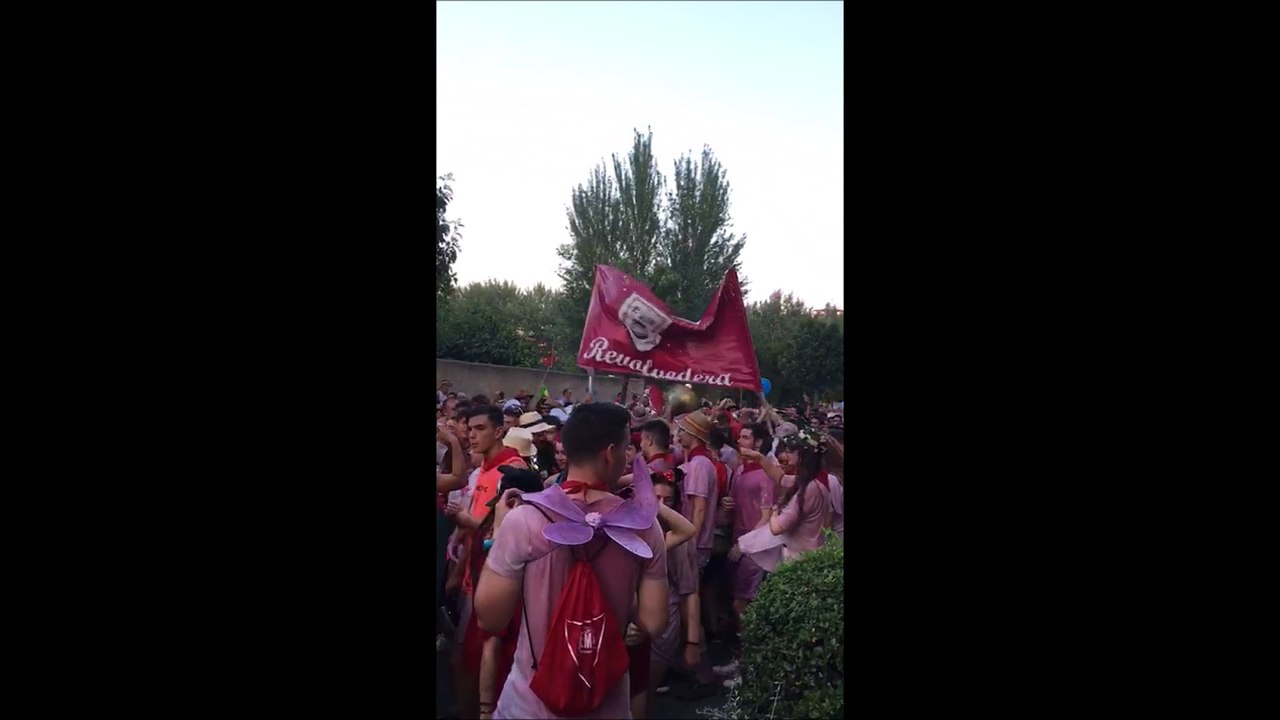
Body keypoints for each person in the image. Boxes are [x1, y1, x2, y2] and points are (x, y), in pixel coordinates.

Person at [474, 402, 668, 719]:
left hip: (528, 706)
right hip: (606, 703)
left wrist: (498, 530)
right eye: (626, 448)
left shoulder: (525, 519)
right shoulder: (644, 527)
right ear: (610, 453)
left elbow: (490, 619)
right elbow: (654, 621)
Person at [451, 404, 529, 720]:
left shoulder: (513, 470)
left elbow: (499, 528)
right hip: (472, 569)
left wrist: (464, 520)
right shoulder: (482, 467)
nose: (472, 434)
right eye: (469, 428)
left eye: (480, 428)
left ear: (499, 431)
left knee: (484, 651)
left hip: (495, 575)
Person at [634, 468, 698, 719]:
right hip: (632, 623)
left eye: (667, 500)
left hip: (664, 627)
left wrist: (692, 642)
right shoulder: (634, 528)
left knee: (645, 692)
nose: (659, 504)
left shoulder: (677, 539)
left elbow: (690, 592)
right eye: (654, 497)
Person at [714, 423, 775, 686]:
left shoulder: (766, 474)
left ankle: (749, 667)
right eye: (740, 436)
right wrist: (727, 505)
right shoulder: (738, 470)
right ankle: (740, 659)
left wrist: (745, 544)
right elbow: (736, 505)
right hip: (736, 542)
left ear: (759, 444)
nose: (740, 440)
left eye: (747, 437)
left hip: (756, 548)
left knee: (743, 606)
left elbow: (767, 516)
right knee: (736, 605)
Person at [672, 411, 720, 700]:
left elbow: (698, 508)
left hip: (694, 545)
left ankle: (702, 674)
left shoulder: (700, 465)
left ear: (695, 434)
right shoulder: (697, 461)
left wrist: (688, 540)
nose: (678, 435)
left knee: (689, 608)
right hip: (693, 542)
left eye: (682, 430)